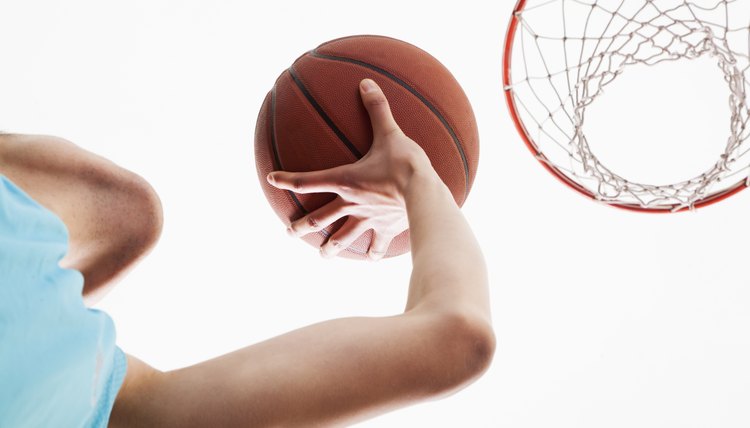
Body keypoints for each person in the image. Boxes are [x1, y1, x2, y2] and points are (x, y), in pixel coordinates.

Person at [0, 79, 494, 427]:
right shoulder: (113, 402)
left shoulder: (116, 403)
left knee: (132, 216)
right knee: (134, 217)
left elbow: (455, 340)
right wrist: (417, 181)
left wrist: (416, 180)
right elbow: (456, 338)